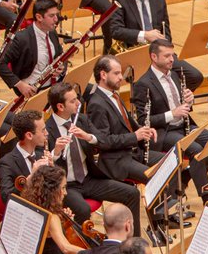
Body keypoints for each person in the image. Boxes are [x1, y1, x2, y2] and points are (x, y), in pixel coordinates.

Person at [84, 55, 167, 243]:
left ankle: (157, 224)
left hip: (131, 153)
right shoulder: (96, 103)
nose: (121, 77)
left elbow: (129, 123)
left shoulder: (114, 96)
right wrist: (134, 137)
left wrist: (143, 130)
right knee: (154, 176)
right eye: (117, 73)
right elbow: (103, 141)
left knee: (166, 164)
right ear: (103, 75)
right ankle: (138, 240)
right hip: (116, 161)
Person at [46, 81, 142, 228]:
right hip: (67, 186)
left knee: (132, 193)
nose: (79, 103)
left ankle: (132, 245)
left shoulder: (81, 120)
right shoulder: (46, 130)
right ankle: (83, 248)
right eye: (73, 101)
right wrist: (56, 152)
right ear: (60, 107)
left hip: (89, 179)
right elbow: (44, 166)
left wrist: (88, 137)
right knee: (83, 209)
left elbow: (103, 140)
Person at [131, 39, 208, 202]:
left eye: (173, 55)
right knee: (196, 150)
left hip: (185, 125)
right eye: (167, 56)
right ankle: (207, 198)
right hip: (165, 132)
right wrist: (172, 113)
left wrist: (189, 100)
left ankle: (186, 175)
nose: (172, 59)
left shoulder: (176, 75)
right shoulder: (143, 84)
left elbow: (183, 105)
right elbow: (143, 120)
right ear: (154, 57)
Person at [110, 0, 204, 91]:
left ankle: (175, 101)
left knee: (195, 76)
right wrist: (145, 35)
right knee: (149, 88)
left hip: (160, 52)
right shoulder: (121, 0)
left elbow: (166, 29)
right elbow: (116, 31)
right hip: (137, 55)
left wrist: (168, 52)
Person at [0, 0, 64, 103]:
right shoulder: (21, 38)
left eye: (56, 15)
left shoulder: (52, 32)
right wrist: (19, 84)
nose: (56, 19)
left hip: (54, 86)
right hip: (33, 91)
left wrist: (62, 68)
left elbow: (60, 55)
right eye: (52, 16)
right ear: (39, 17)